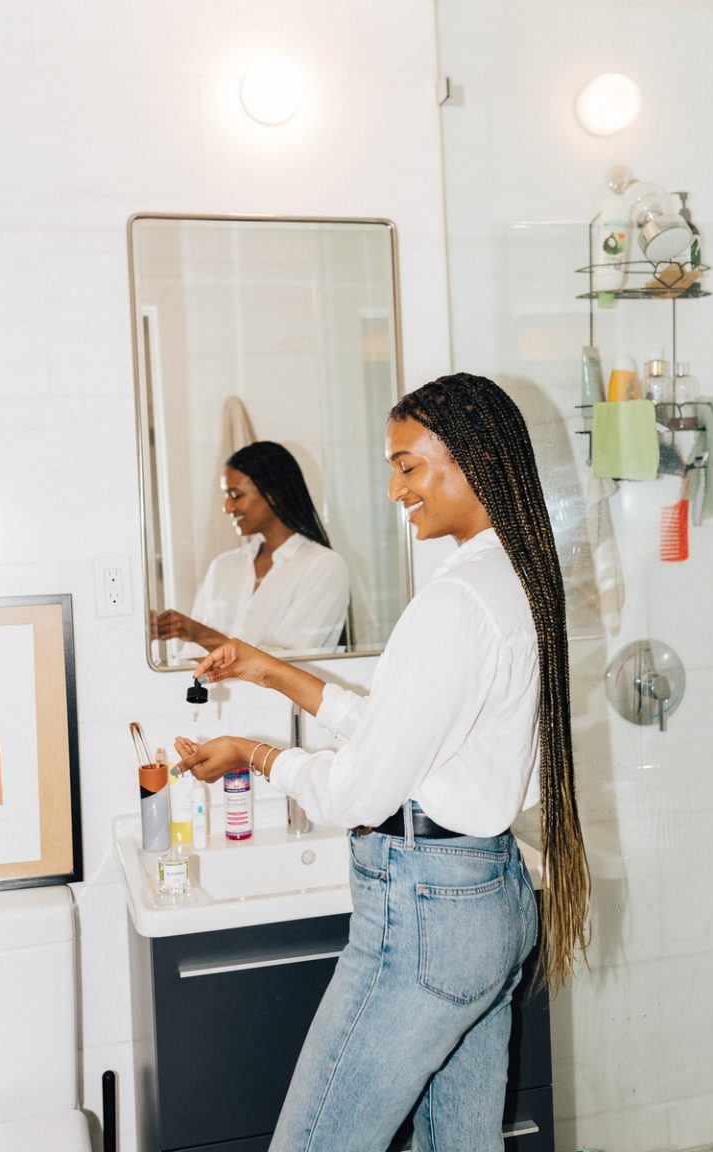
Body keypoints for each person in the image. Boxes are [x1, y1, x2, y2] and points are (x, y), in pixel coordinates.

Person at [174, 374, 590, 1152]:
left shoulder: (455, 600)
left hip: (426, 915)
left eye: (408, 465)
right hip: (488, 894)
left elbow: (356, 789)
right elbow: (412, 737)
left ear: (468, 462)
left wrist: (259, 756)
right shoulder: (516, 579)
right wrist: (272, 673)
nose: (396, 488)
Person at [155, 441, 350, 655]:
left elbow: (289, 663)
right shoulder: (222, 566)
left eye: (235, 495)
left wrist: (199, 633)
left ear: (273, 494)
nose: (227, 507)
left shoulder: (323, 567)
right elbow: (191, 656)